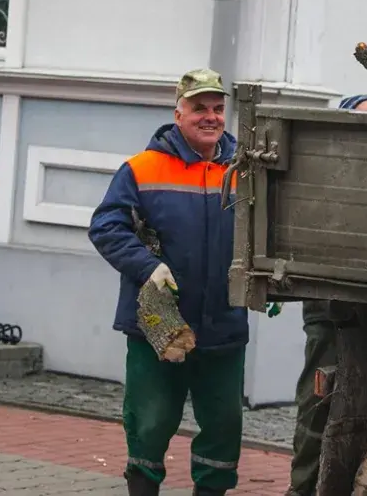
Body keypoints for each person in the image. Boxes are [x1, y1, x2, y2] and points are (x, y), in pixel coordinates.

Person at [88, 69, 248, 496]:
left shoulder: (245, 169)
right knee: (150, 421)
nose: (211, 117)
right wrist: (146, 266)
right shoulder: (141, 168)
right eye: (199, 108)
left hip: (224, 324)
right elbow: (106, 227)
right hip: (157, 327)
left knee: (224, 425)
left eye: (218, 108)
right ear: (178, 113)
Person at [285, 94, 367, 496]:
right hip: (332, 319)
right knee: (318, 415)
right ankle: (304, 491)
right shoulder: (322, 179)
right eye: (363, 118)